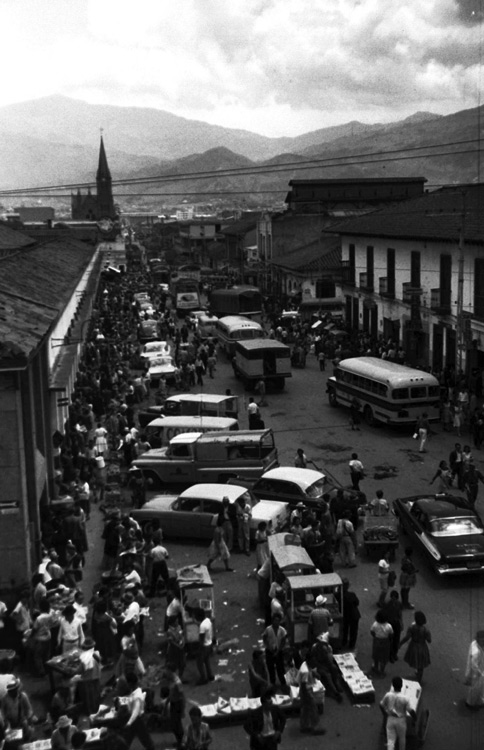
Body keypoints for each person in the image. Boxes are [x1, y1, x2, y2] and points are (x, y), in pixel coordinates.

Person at [380, 676, 416, 750]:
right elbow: (411, 711)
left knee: (390, 740)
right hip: (401, 721)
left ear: (392, 686)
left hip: (390, 719)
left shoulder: (388, 695)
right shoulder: (405, 698)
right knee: (402, 739)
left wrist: (385, 714)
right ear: (402, 686)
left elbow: (381, 705)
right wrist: (415, 718)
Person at [121, 673, 155, 750]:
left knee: (146, 741)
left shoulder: (137, 696)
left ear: (130, 683)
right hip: (135, 720)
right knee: (127, 739)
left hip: (137, 720)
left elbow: (135, 712)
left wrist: (128, 723)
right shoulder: (135, 692)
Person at [297, 651, 325, 735]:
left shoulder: (306, 664)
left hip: (304, 691)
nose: (314, 662)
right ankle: (315, 728)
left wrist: (314, 674)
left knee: (305, 710)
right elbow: (304, 685)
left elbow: (311, 671)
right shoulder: (305, 671)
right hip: (306, 691)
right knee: (313, 709)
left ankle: (304, 726)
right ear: (309, 660)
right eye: (313, 660)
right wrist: (310, 696)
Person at [398, 610, 431, 682]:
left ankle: (417, 673)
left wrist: (400, 644)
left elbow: (407, 637)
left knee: (415, 660)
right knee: (421, 663)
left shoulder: (411, 628)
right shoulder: (425, 630)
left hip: (413, 646)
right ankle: (419, 678)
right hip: (422, 646)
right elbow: (429, 640)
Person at [262, 614, 287, 688]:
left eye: (278, 621)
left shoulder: (282, 630)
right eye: (275, 620)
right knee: (271, 668)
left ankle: (283, 684)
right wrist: (268, 647)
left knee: (280, 669)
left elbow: (283, 641)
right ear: (272, 621)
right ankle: (273, 684)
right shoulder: (268, 629)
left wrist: (278, 650)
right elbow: (264, 637)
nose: (276, 622)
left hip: (279, 651)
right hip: (270, 651)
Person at [464, 629, 484, 709]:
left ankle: (479, 700)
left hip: (476, 671)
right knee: (475, 689)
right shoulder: (476, 652)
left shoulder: (474, 643)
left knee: (479, 688)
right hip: (476, 674)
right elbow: (474, 665)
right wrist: (480, 673)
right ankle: (470, 704)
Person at [382, 590, 403, 663]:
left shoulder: (399, 604)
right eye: (393, 598)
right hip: (389, 624)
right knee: (390, 640)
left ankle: (394, 654)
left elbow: (400, 614)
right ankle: (390, 655)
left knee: (396, 640)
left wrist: (401, 623)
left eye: (395, 598)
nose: (393, 599)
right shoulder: (387, 604)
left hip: (396, 623)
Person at [341, 578, 361, 651]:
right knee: (353, 631)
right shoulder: (352, 595)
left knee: (345, 629)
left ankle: (344, 641)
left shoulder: (339, 595)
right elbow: (357, 603)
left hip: (345, 615)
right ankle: (351, 644)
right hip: (353, 615)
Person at [196, 609, 215, 685]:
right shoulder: (207, 620)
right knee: (207, 661)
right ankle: (210, 675)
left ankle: (203, 678)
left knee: (199, 663)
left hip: (204, 646)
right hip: (209, 644)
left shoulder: (202, 626)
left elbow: (201, 639)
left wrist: (199, 649)